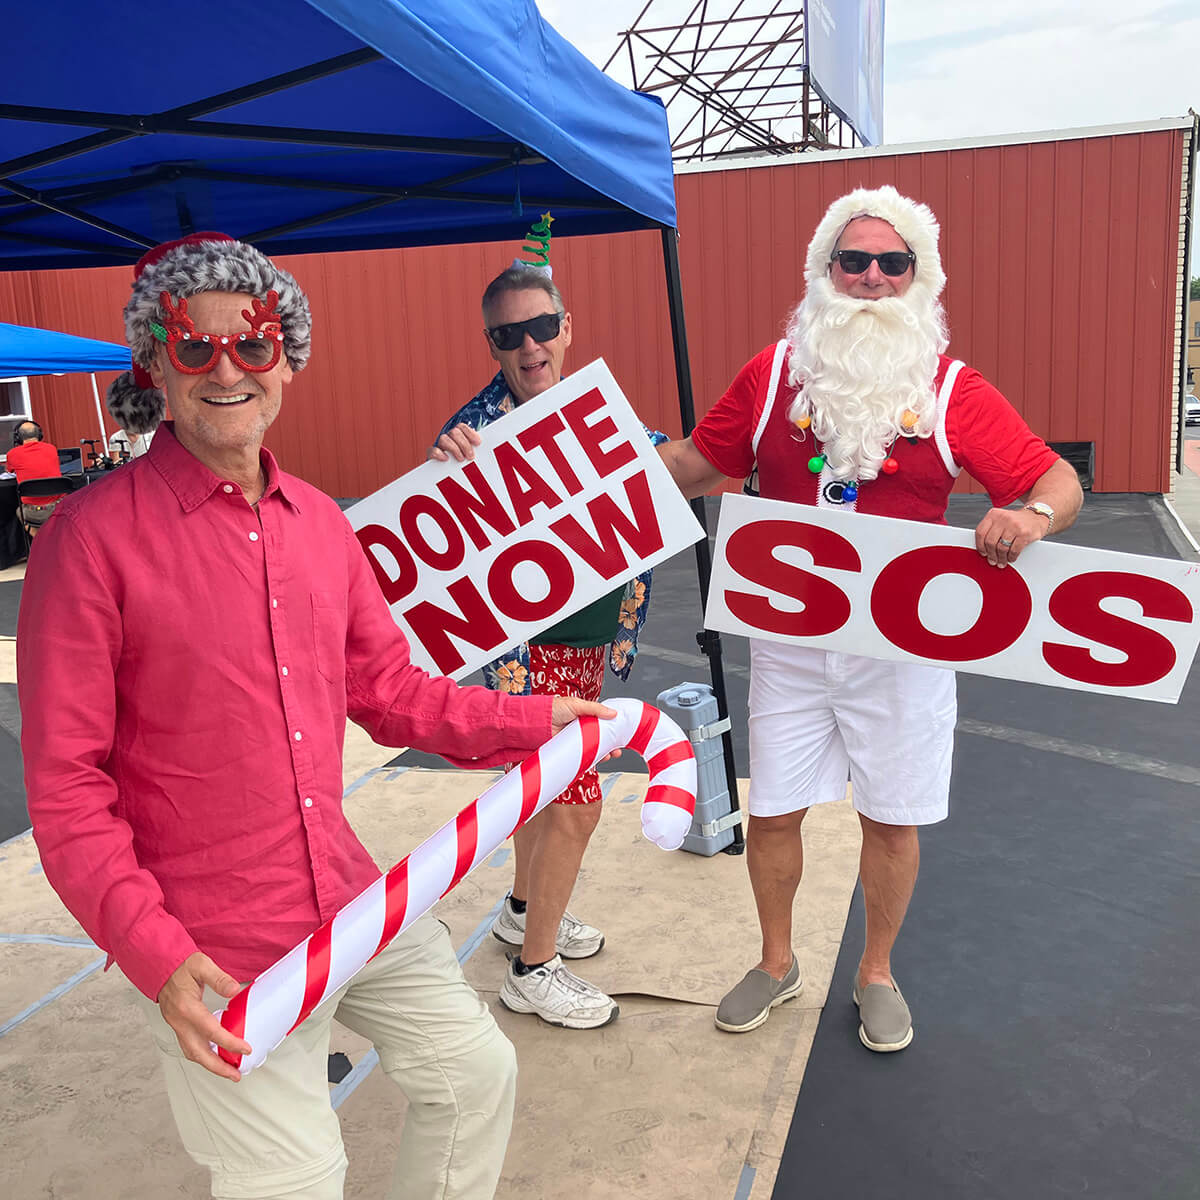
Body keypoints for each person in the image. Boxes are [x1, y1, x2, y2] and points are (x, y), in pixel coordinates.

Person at [17, 232, 615, 1200]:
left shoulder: (323, 527)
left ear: (287, 360)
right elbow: (67, 789)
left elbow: (391, 694)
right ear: (154, 363)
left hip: (347, 901)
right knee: (297, 1182)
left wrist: (535, 717)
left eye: (252, 346)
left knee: (477, 1075)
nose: (226, 371)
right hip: (215, 947)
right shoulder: (88, 545)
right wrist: (157, 957)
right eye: (193, 347)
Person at [658, 185, 1083, 1053]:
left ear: (920, 279)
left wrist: (1031, 519)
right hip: (789, 640)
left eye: (895, 263)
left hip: (903, 645)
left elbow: (1055, 482)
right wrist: (569, 460)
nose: (873, 279)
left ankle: (876, 971)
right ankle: (779, 963)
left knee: (891, 817)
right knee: (772, 811)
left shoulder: (950, 390)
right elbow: (696, 464)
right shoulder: (774, 374)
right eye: (854, 261)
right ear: (825, 271)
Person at [431, 263, 662, 1031]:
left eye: (539, 327)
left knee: (541, 793)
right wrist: (444, 471)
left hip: (595, 636)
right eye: (508, 335)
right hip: (533, 652)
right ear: (492, 346)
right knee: (574, 804)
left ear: (566, 326)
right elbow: (438, 530)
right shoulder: (474, 432)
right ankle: (533, 968)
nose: (528, 346)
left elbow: (663, 466)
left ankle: (524, 912)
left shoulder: (595, 409)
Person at [8, 419, 66, 532]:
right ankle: (50, 539)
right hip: (58, 508)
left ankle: (40, 540)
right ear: (40, 435)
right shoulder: (51, 449)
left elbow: (10, 471)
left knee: (19, 511)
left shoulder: (12, 454)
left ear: (18, 438)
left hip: (32, 512)